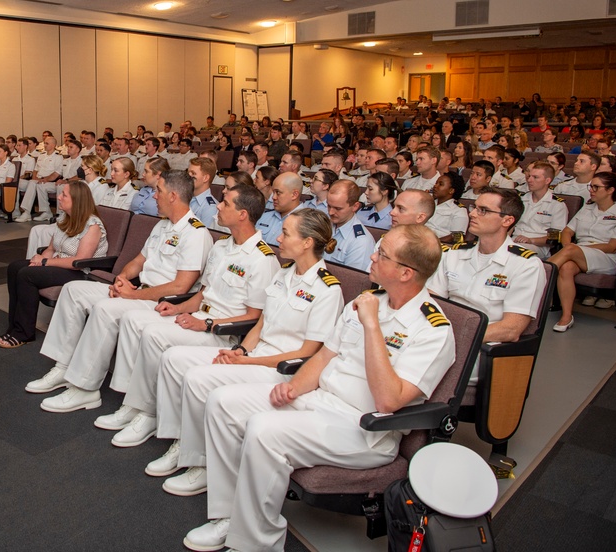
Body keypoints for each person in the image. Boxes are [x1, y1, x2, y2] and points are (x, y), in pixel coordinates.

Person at [185, 224, 455, 552]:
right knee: (223, 402)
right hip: (322, 401)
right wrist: (295, 388)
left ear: (405, 273)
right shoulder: (369, 300)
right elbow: (327, 354)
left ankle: (256, 542)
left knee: (263, 430)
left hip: (366, 430)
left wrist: (372, 326)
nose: (372, 255)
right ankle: (228, 515)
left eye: (382, 254)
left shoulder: (433, 329)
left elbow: (388, 400)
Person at [147, 208, 344, 491]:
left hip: (283, 371)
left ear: (307, 243)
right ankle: (185, 444)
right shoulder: (284, 273)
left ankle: (202, 462)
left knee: (199, 379)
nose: (278, 237)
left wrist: (249, 362)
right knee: (175, 358)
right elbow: (261, 325)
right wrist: (241, 352)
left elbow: (309, 352)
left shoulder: (328, 290)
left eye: (286, 233)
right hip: (255, 357)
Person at [93, 185, 279, 447]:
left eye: (225, 203)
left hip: (223, 334)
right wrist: (179, 308)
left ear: (243, 215)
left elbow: (253, 317)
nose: (218, 206)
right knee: (141, 324)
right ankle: (135, 406)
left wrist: (206, 323)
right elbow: (203, 293)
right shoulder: (222, 246)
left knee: (155, 335)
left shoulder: (263, 259)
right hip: (199, 319)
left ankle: (147, 413)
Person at [24, 170, 214, 412]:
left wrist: (132, 294)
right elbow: (138, 260)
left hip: (159, 301)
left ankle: (85, 388)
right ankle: (62, 367)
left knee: (104, 309)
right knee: (73, 290)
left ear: (174, 196)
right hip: (137, 292)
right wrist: (122, 279)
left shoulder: (196, 234)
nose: (154, 196)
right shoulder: (162, 226)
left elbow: (181, 286)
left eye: (159, 191)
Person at [428, 187, 545, 383]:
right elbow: (431, 299)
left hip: (478, 348)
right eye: (474, 207)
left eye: (483, 210)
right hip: (439, 337)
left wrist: (452, 336)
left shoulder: (526, 265)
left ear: (507, 220)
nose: (472, 213)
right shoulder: (455, 253)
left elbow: (511, 329)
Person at [0, 181, 109, 348]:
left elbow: (79, 261)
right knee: (15, 267)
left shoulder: (92, 225)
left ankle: (24, 333)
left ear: (77, 200)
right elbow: (51, 248)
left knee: (26, 275)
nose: (59, 197)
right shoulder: (65, 218)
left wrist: (44, 262)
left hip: (80, 271)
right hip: (59, 264)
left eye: (64, 195)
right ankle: (14, 326)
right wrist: (40, 261)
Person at [550, 172, 616, 330]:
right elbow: (567, 232)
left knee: (571, 251)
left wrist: (575, 249)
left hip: (608, 258)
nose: (591, 190)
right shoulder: (587, 208)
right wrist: (568, 249)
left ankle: (541, 274)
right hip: (579, 253)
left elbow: (612, 246)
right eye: (590, 186)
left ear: (610, 190)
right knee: (566, 267)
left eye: (596, 187)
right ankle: (566, 316)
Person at [512, 161, 568, 258]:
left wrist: (531, 240)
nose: (529, 180)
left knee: (514, 253)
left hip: (538, 246)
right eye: (529, 176)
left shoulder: (557, 205)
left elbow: (554, 238)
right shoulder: (520, 199)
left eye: (535, 177)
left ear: (547, 181)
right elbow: (509, 225)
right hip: (513, 241)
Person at [324, 179, 376, 271]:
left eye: (338, 208)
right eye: (329, 206)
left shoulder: (361, 242)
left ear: (355, 207)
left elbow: (351, 280)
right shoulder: (325, 225)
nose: (331, 212)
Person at [16, 136, 64, 222]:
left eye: (47, 143)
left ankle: (40, 211)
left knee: (38, 184)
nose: (45, 145)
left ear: (53, 145)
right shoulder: (41, 156)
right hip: (39, 179)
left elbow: (56, 173)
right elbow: (35, 170)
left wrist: (45, 179)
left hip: (50, 181)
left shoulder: (58, 157)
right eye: (44, 143)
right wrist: (35, 178)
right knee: (32, 182)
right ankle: (28, 212)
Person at [255, 172, 306, 246]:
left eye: (278, 192)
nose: (273, 197)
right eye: (273, 192)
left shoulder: (307, 222)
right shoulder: (263, 216)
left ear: (294, 195)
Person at [426, 172, 470, 242]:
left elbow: (457, 237)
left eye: (440, 184)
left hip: (439, 246)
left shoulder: (459, 210)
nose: (435, 186)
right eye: (436, 183)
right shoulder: (428, 202)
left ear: (451, 190)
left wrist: (434, 243)